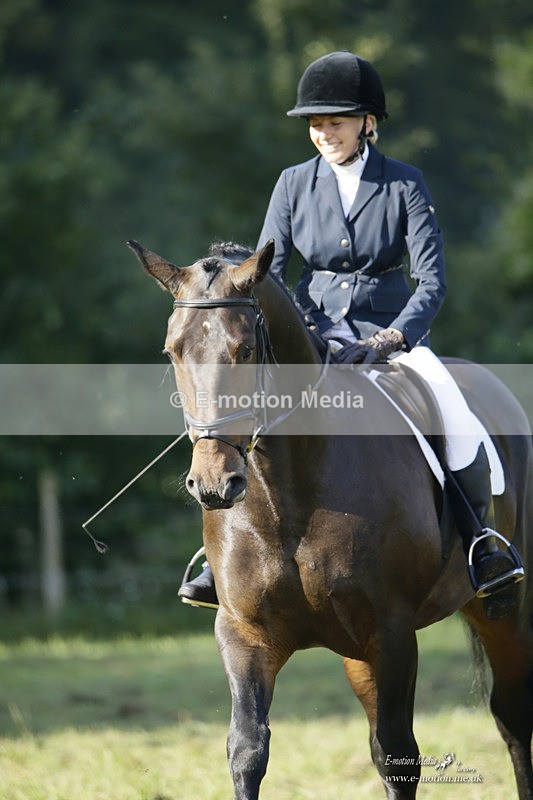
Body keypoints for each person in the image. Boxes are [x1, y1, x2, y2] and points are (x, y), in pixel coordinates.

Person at [178, 51, 524, 617]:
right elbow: (266, 273)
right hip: (311, 337)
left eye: (335, 121)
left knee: (455, 417)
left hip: (387, 338)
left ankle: (483, 542)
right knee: (238, 417)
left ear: (368, 122)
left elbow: (432, 282)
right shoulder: (292, 185)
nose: (323, 133)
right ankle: (218, 555)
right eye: (316, 124)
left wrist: (395, 337)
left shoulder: (404, 184)